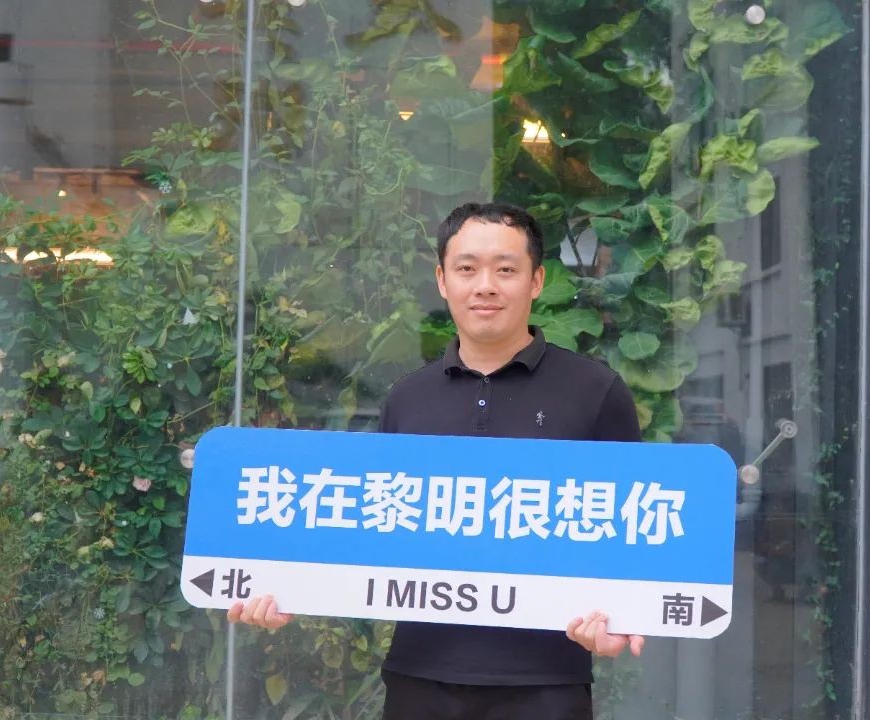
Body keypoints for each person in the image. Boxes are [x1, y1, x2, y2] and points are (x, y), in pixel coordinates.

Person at [230, 202, 645, 719]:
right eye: (467, 268)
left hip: (547, 684)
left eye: (506, 269)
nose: (485, 286)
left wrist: (620, 618)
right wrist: (285, 586)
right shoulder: (408, 398)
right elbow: (372, 530)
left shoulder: (596, 392)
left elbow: (630, 534)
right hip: (419, 679)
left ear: (536, 281)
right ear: (443, 281)